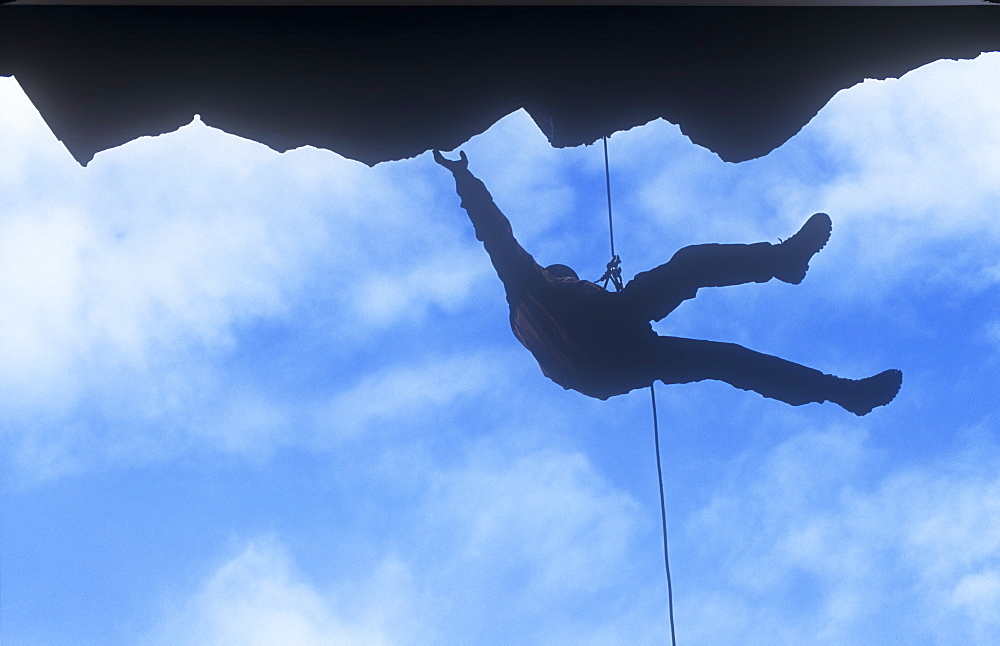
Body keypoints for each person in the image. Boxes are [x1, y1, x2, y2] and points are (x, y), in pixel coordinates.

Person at [433, 149, 901, 416]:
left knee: (727, 360)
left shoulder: (535, 319)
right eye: (570, 276)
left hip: (607, 365)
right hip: (608, 338)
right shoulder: (529, 287)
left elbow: (495, 237)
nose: (577, 279)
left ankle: (843, 393)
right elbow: (495, 234)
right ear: (556, 275)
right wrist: (465, 179)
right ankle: (784, 261)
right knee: (691, 267)